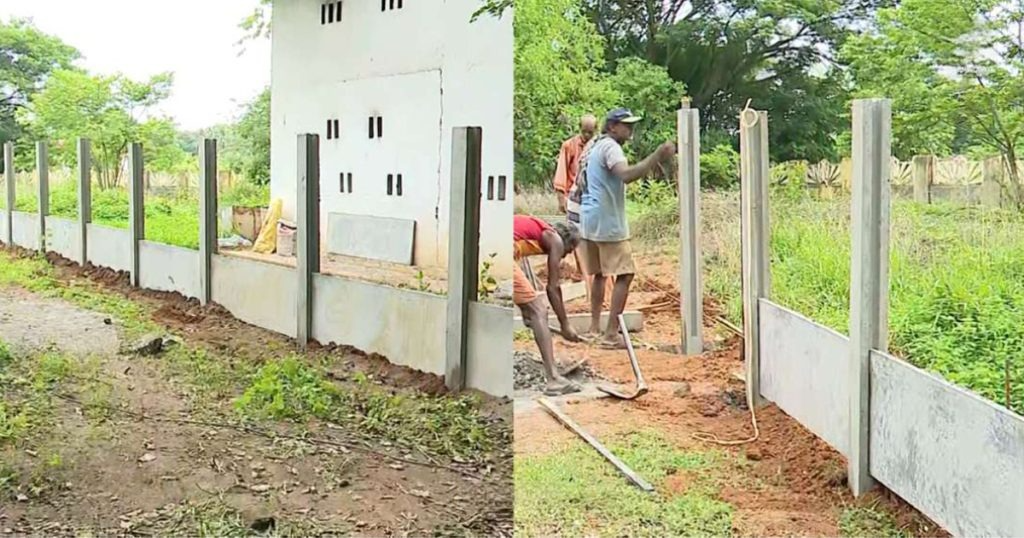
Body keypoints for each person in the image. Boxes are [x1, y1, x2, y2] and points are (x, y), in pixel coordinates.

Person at [578, 108, 675, 349]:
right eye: (626, 125)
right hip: (607, 221)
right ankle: (611, 334)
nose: (630, 129)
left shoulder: (594, 145)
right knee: (625, 273)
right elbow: (626, 175)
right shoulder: (611, 147)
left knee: (600, 273)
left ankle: (593, 328)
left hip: (589, 218)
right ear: (611, 127)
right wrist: (657, 156)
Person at [514, 214, 583, 395]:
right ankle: (553, 379)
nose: (566, 254)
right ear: (567, 241)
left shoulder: (541, 231)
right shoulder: (555, 239)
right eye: (570, 249)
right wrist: (565, 324)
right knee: (539, 310)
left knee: (533, 310)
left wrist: (524, 308)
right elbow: (553, 288)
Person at [553, 115, 598, 213]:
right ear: (579, 128)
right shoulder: (569, 146)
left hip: (592, 197)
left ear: (595, 130)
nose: (586, 135)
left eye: (590, 133)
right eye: (584, 131)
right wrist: (561, 198)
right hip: (573, 196)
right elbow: (561, 172)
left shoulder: (599, 147)